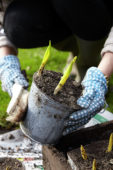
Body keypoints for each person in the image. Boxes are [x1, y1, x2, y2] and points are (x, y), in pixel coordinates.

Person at [0, 0, 113, 136]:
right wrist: (7, 67)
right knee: (17, 21)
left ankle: (92, 60)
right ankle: (78, 52)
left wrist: (101, 76)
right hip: (59, 14)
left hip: (99, 12)